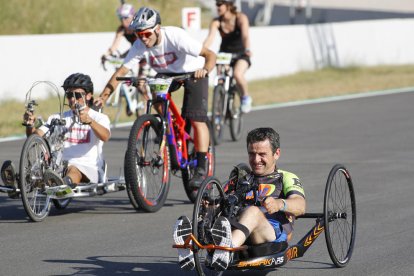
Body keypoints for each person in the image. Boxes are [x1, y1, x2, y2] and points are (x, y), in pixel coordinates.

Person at [95, 7, 216, 188]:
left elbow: (210, 55)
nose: (143, 38)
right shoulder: (139, 45)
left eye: (146, 33)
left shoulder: (175, 36)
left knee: (196, 118)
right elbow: (121, 72)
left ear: (157, 29)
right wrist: (103, 98)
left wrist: (204, 70)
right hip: (165, 75)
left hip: (193, 72)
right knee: (157, 99)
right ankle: (169, 127)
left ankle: (201, 165)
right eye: (138, 34)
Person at [173, 127, 306, 271]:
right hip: (239, 225)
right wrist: (211, 206)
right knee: (212, 211)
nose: (256, 160)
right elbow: (226, 201)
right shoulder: (242, 178)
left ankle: (226, 250)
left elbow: (300, 205)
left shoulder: (285, 177)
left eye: (262, 154)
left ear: (276, 153)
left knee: (253, 212)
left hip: (271, 233)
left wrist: (280, 203)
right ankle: (189, 246)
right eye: (252, 154)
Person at [24, 73, 111, 187]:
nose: (73, 99)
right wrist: (30, 125)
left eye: (78, 95)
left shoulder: (99, 118)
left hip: (89, 167)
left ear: (88, 96)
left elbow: (105, 136)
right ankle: (19, 179)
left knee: (73, 169)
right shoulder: (57, 117)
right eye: (69, 95)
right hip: (60, 167)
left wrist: (90, 122)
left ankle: (62, 184)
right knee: (44, 165)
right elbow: (35, 138)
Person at [101, 2, 152, 115]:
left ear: (132, 16)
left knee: (141, 81)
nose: (123, 21)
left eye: (125, 17)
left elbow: (145, 42)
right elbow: (114, 46)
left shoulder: (136, 27)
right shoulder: (121, 29)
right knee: (123, 70)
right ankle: (131, 100)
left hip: (145, 53)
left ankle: (147, 100)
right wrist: (106, 55)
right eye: (121, 18)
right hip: (135, 51)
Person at [203, 0, 253, 113]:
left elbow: (245, 36)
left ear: (228, 5)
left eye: (220, 4)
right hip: (224, 55)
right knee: (220, 78)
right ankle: (220, 103)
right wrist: (201, 51)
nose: (218, 7)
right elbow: (210, 38)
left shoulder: (241, 18)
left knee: (237, 74)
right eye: (217, 4)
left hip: (241, 54)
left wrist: (247, 49)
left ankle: (245, 97)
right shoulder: (216, 21)